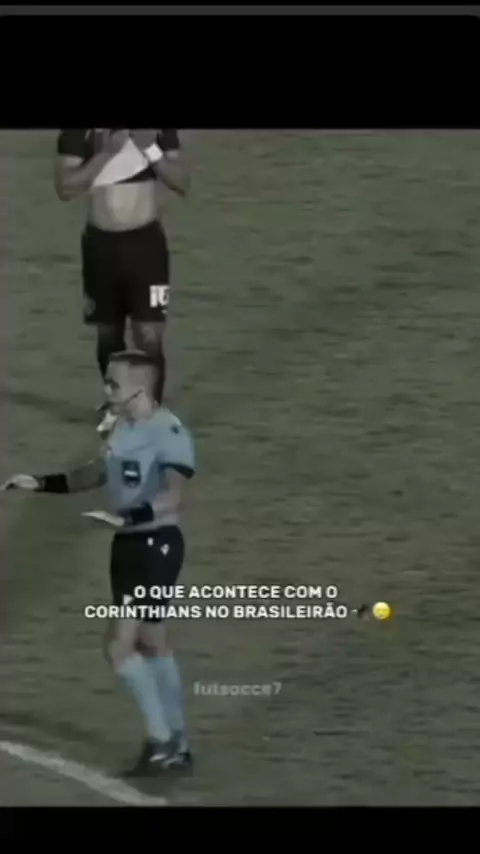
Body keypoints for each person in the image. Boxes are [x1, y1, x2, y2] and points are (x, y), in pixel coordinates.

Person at [2, 350, 195, 777]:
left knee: (118, 646)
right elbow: (95, 472)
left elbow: (173, 497)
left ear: (139, 389)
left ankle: (161, 740)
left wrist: (127, 518)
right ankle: (178, 743)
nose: (106, 389)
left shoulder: (169, 432)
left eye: (113, 384)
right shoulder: (122, 426)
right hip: (129, 545)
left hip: (155, 545)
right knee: (152, 642)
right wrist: (41, 482)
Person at [54, 129, 190, 435]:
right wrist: (105, 154)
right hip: (100, 247)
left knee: (149, 336)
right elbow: (65, 187)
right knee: (108, 334)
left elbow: (182, 182)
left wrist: (150, 149)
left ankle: (151, 410)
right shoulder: (78, 133)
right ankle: (117, 407)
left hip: (146, 247)